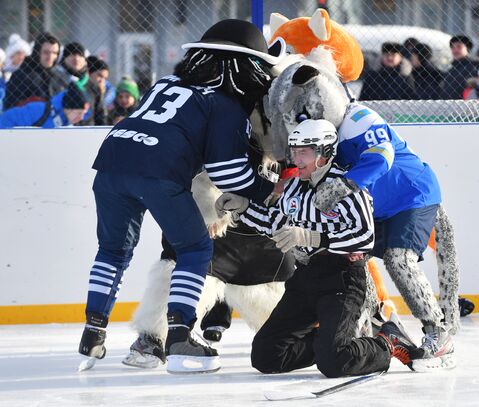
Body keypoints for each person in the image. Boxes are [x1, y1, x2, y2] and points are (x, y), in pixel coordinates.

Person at [77, 18, 285, 374]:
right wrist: (273, 190)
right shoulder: (225, 104)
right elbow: (228, 173)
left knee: (113, 250)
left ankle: (93, 334)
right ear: (242, 67)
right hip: (158, 173)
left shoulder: (166, 82)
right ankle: (179, 338)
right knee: (196, 249)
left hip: (112, 159)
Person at [216, 119, 419, 377]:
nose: (296, 159)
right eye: (294, 151)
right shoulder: (292, 190)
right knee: (266, 356)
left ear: (325, 154)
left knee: (335, 363)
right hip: (304, 278)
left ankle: (386, 341)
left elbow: (364, 237)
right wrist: (244, 207)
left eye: (304, 152)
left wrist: (313, 238)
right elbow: (275, 223)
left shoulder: (348, 189)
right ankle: (331, 344)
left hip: (342, 281)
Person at [312, 102, 455, 370]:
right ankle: (378, 324)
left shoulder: (358, 118)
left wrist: (342, 184)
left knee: (398, 258)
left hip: (411, 195)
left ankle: (439, 332)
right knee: (349, 257)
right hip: (375, 207)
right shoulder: (306, 132)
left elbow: (381, 157)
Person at [3, 32, 64, 109]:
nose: (50, 57)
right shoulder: (21, 75)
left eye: (55, 53)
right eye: (46, 52)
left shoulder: (58, 78)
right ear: (37, 52)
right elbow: (10, 107)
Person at [0, 82, 90, 128]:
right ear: (68, 108)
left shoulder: (67, 123)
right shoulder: (38, 110)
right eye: (79, 113)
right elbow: (7, 119)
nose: (81, 118)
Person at [441, 35, 478, 100]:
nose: (455, 50)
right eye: (453, 47)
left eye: (459, 47)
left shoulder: (475, 66)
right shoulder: (451, 69)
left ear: (467, 48)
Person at [85, 56, 109, 125]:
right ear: (90, 73)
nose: (102, 81)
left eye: (105, 78)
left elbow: (101, 117)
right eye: (99, 75)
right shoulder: (82, 89)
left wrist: (101, 95)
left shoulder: (98, 92)